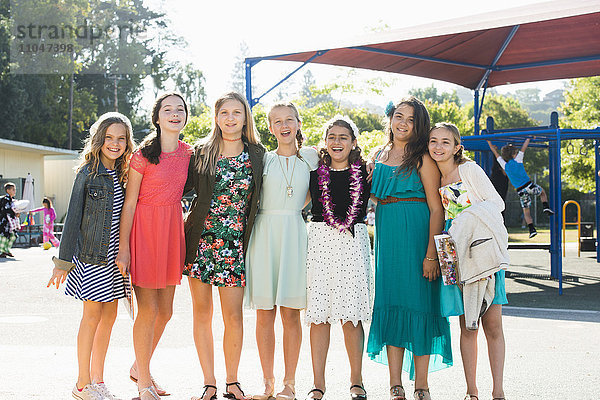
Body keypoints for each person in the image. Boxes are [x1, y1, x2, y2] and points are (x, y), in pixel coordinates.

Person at [366, 97, 452, 400]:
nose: (402, 123)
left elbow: (437, 209)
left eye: (410, 119)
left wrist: (432, 254)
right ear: (390, 119)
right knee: (391, 304)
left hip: (418, 239)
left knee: (421, 307)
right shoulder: (378, 155)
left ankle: (422, 385)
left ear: (419, 125)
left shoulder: (423, 158)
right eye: (398, 116)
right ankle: (395, 384)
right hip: (388, 243)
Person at [183, 92, 265, 400]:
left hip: (234, 246)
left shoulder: (257, 153)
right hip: (200, 243)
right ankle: (209, 382)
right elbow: (177, 185)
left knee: (233, 317)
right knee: (201, 315)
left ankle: (232, 381)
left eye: (237, 112)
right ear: (216, 118)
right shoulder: (202, 152)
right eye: (224, 113)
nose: (230, 118)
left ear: (245, 118)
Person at [48, 112, 135, 400]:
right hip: (91, 256)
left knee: (109, 316)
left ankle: (97, 380)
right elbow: (73, 218)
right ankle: (82, 383)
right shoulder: (88, 173)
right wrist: (63, 262)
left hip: (115, 258)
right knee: (92, 316)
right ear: (99, 139)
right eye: (109, 137)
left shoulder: (125, 173)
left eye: (121, 138)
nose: (115, 143)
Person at [116, 93, 192, 400]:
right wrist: (124, 248)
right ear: (157, 117)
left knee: (167, 311)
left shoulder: (190, 152)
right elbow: (130, 202)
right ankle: (143, 382)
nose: (174, 114)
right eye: (167, 110)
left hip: (173, 229)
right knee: (147, 309)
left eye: (180, 109)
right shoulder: (142, 155)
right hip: (144, 230)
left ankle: (139, 365)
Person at [245, 102, 317, 400]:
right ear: (270, 127)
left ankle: (290, 383)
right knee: (265, 313)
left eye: (289, 119)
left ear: (298, 123)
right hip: (264, 234)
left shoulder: (311, 158)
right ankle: (267, 382)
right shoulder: (263, 159)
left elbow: (316, 191)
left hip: (294, 234)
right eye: (277, 121)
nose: (284, 125)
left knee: (291, 313)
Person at [430, 123, 507, 400]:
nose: (439, 147)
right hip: (453, 251)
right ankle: (471, 391)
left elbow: (496, 203)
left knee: (493, 323)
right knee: (467, 324)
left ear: (457, 146)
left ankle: (498, 390)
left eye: (445, 142)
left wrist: (464, 223)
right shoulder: (432, 176)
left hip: (480, 248)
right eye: (434, 141)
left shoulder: (468, 170)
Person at [304, 116, 372, 400]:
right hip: (320, 241)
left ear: (353, 142)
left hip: (353, 244)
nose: (337, 142)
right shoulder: (313, 173)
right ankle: (318, 383)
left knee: (351, 316)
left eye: (343, 137)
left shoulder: (367, 173)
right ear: (325, 141)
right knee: (319, 315)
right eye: (331, 136)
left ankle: (356, 381)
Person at [487, 138, 554, 238]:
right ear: (514, 154)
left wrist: (489, 142)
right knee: (542, 193)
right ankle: (545, 207)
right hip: (529, 185)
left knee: (526, 211)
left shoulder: (504, 165)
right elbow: (524, 147)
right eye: (516, 152)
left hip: (521, 191)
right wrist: (528, 138)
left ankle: (531, 229)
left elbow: (495, 153)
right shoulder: (518, 160)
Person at [0, 182, 19, 258]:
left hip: (11, 222)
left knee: (13, 235)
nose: (15, 191)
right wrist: (15, 213)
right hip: (4, 221)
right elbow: (6, 210)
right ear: (8, 190)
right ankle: (2, 251)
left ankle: (6, 249)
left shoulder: (13, 200)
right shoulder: (5, 199)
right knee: (4, 236)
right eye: (13, 189)